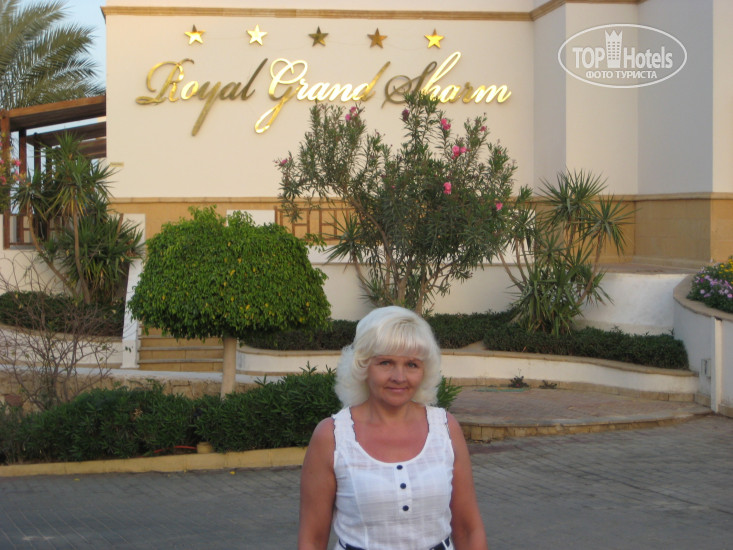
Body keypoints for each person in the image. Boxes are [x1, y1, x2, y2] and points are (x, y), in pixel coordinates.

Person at [298, 306, 489, 550]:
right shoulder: (332, 437)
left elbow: (468, 530)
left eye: (412, 364)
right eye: (386, 362)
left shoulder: (446, 429)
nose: (399, 377)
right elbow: (312, 540)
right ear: (363, 365)